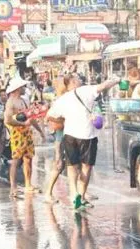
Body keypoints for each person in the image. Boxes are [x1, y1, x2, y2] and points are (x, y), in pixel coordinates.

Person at [46, 74, 120, 209]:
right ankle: (81, 195)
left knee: (71, 166)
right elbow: (103, 86)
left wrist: (64, 121)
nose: (80, 80)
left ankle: (74, 196)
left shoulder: (62, 99)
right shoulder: (84, 90)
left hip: (69, 135)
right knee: (86, 167)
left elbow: (49, 116)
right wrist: (116, 81)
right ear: (73, 82)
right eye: (78, 79)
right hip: (87, 135)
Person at [4, 78, 46, 197]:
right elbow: (8, 120)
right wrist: (23, 124)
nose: (24, 88)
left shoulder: (23, 100)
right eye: (22, 87)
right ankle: (13, 187)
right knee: (16, 160)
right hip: (17, 134)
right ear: (17, 89)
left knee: (29, 158)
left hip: (27, 133)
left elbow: (30, 118)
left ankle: (28, 184)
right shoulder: (11, 102)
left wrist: (40, 131)